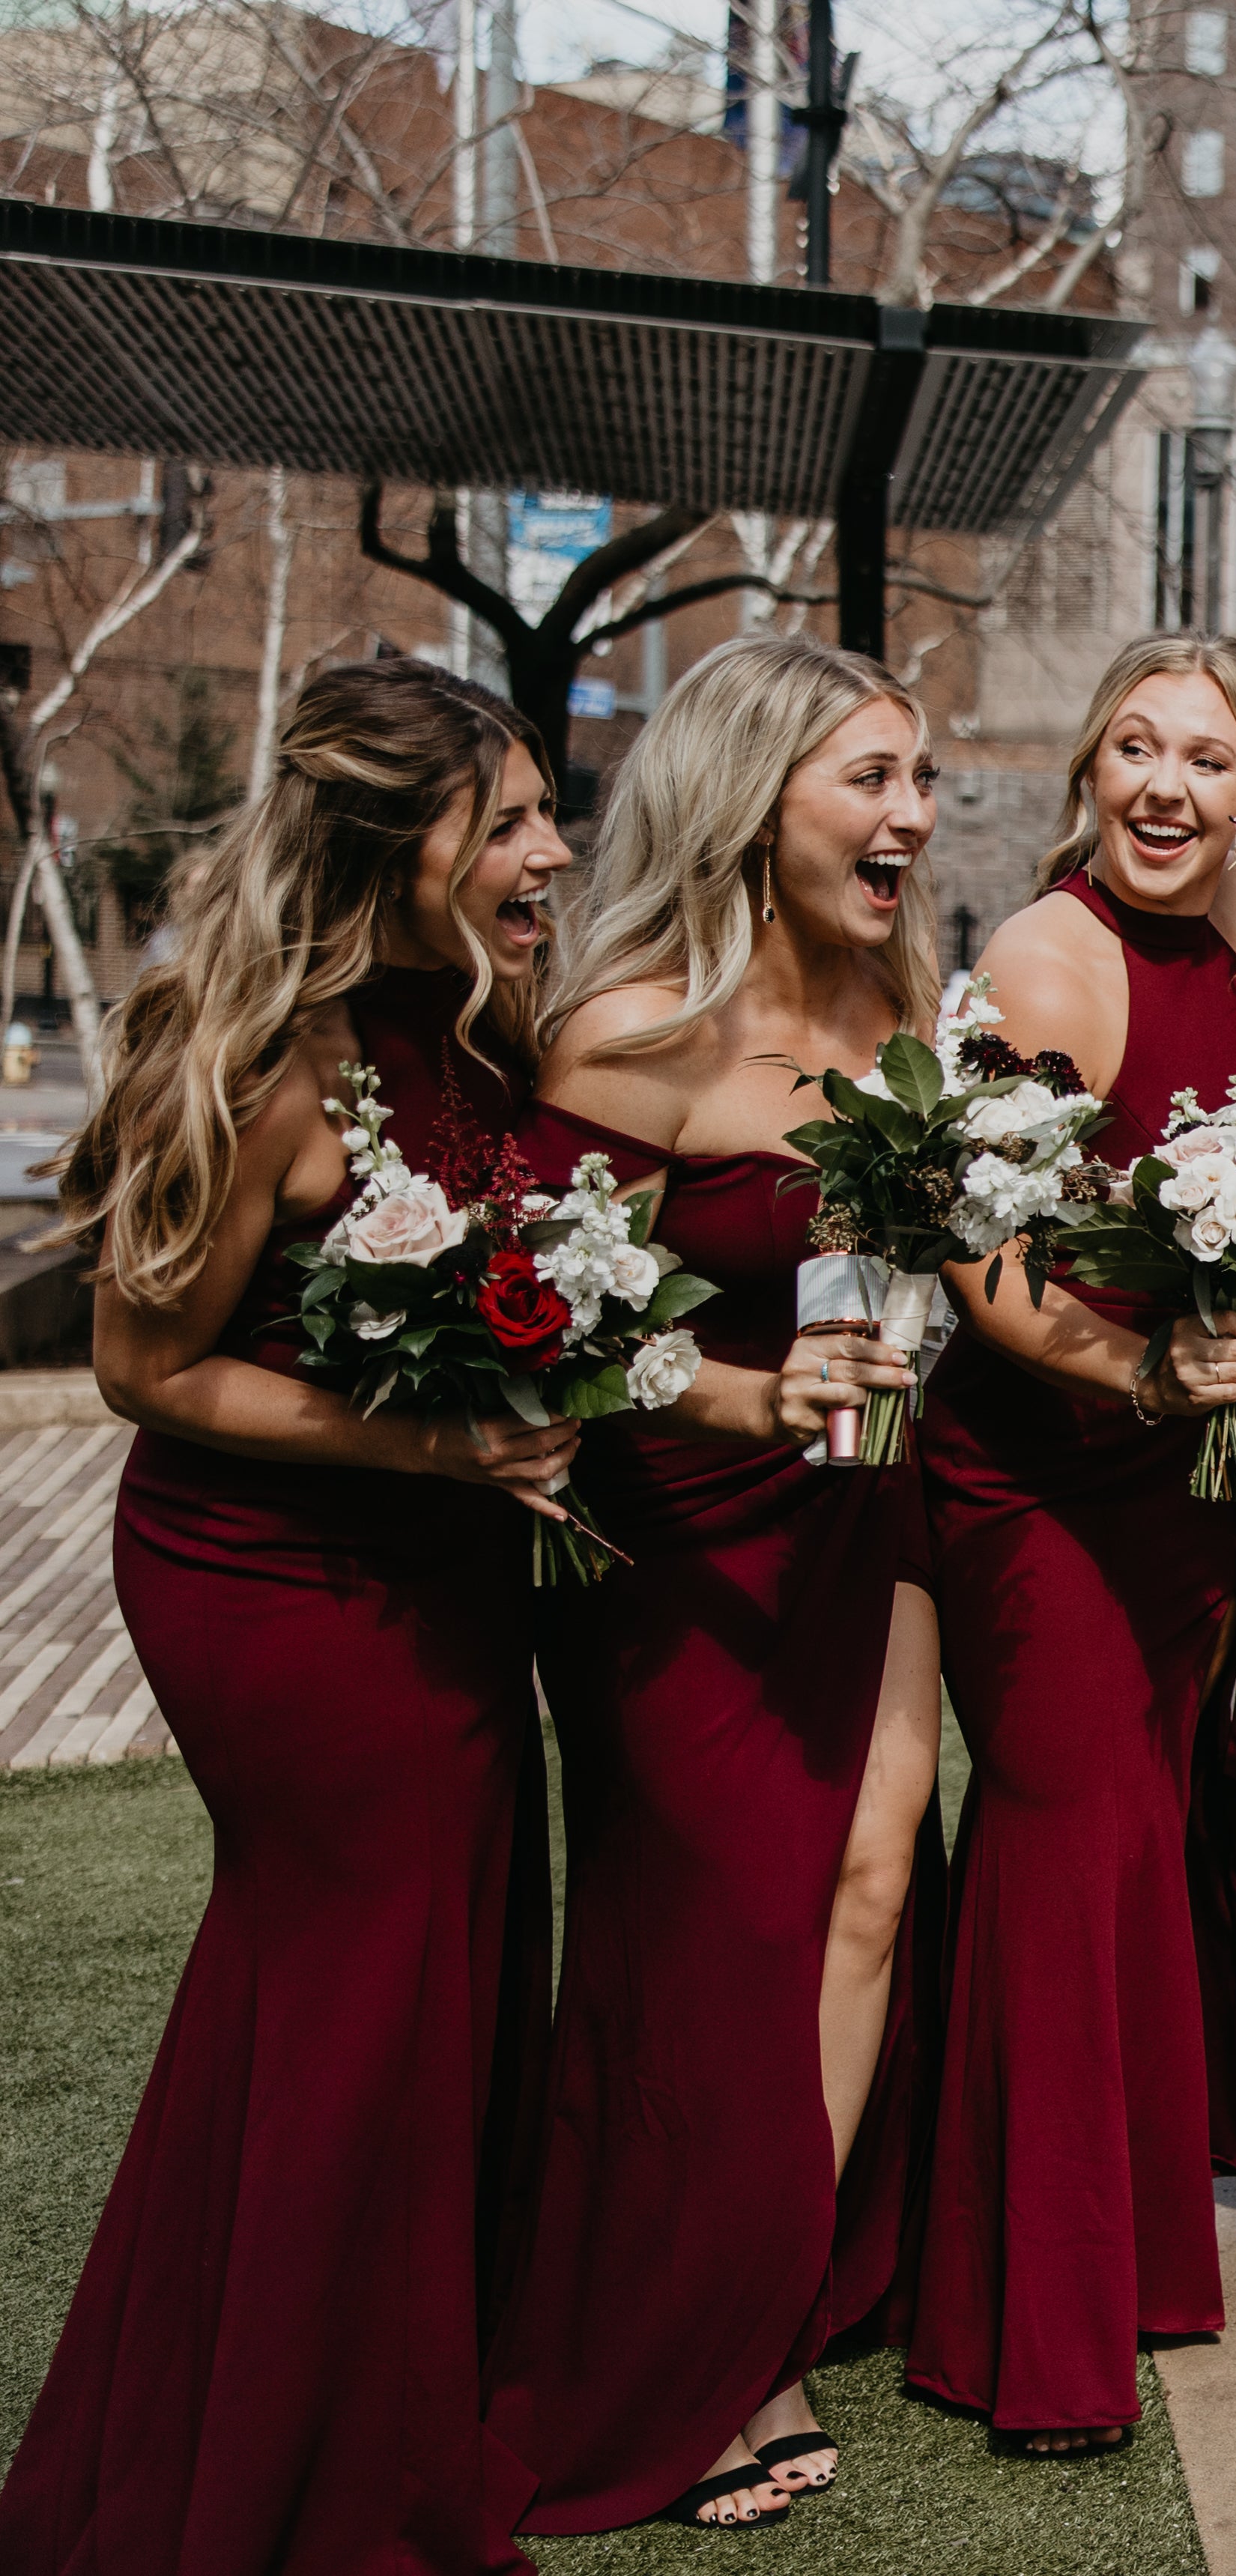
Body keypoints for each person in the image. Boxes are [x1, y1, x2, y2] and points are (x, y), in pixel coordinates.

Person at [1, 660, 576, 2573]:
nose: (545, 848)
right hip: (275, 1577)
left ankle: (368, 2414)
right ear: (386, 843)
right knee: (351, 1997)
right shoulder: (259, 1058)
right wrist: (430, 1447)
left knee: (419, 1987)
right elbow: (142, 1367)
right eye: (503, 820)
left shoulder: (479, 1026)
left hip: (445, 1566)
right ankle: (285, 2483)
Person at [912, 576, 1236, 2451]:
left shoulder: (1232, 911)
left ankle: (1126, 2250)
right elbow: (976, 1251)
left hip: (1183, 1476)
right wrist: (1136, 1379)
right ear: (1086, 768)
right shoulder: (1053, 956)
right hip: (1042, 1467)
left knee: (1147, 1826)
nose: (1167, 781)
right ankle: (1027, 2331)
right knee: (1063, 1840)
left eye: (1203, 756)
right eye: (1137, 745)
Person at [488, 637, 951, 2532]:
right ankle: (684, 2345)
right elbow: (533, 1331)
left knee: (864, 1891)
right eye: (872, 780)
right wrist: (747, 1386)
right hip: (672, 1535)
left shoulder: (901, 994)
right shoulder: (616, 1034)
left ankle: (759, 2306)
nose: (911, 816)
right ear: (758, 798)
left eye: (920, 781)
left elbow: (914, 1261)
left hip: (869, 1505)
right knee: (698, 1943)